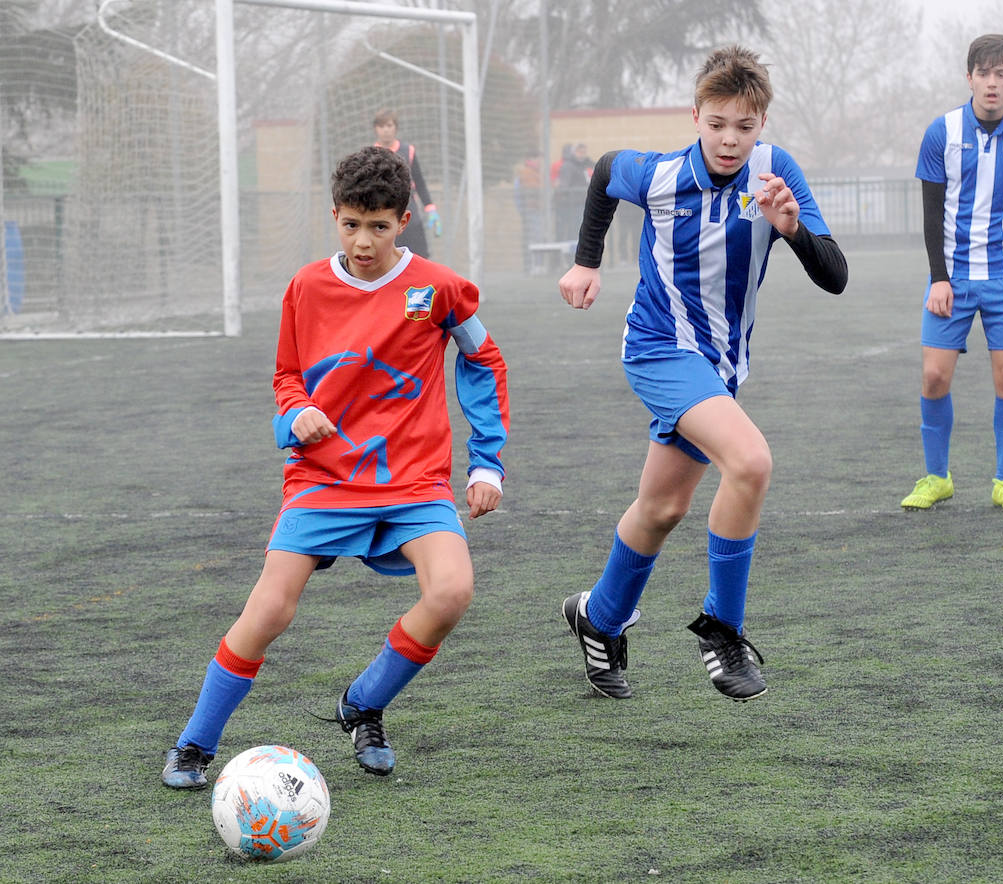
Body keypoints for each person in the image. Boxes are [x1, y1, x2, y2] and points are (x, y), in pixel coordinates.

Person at [161, 146, 509, 788]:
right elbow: (288, 375)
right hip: (323, 479)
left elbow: (484, 359)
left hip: (413, 483)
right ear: (335, 217)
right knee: (270, 610)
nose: (364, 241)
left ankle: (365, 703)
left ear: (403, 220)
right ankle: (195, 743)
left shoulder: (439, 288)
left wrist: (487, 463)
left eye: (379, 226)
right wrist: (295, 415)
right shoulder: (307, 286)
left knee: (452, 591)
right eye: (351, 224)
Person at [556, 45, 847, 702]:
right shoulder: (658, 175)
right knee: (750, 462)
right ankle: (723, 631)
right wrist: (586, 261)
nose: (729, 139)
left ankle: (598, 619)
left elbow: (835, 277)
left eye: (743, 127)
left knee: (662, 507)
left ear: (761, 124)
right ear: (696, 117)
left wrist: (793, 231)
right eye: (717, 123)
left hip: (720, 368)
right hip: (658, 349)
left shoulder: (777, 175)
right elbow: (605, 172)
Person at [900, 34, 1003, 513]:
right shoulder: (942, 132)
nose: (992, 83)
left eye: (1001, 74)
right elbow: (931, 212)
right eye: (983, 73)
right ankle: (937, 477)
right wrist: (938, 277)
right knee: (934, 377)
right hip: (951, 278)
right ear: (969, 76)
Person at [373, 108, 441, 259]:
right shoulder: (371, 154)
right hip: (384, 215)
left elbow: (419, 182)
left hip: (410, 212)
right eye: (382, 126)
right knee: (389, 258)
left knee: (419, 257)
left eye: (389, 125)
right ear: (376, 129)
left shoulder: (408, 150)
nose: (386, 130)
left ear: (395, 127)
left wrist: (431, 209)